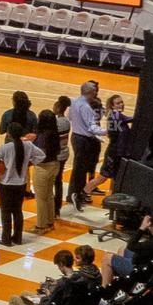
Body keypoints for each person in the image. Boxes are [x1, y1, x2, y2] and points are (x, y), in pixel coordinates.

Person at [0, 127, 42, 245]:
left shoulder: (5, 148)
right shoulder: (28, 145)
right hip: (21, 184)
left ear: (9, 134)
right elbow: (41, 156)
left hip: (5, 185)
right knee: (17, 211)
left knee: (6, 212)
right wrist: (30, 163)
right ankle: (18, 238)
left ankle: (6, 239)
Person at [66, 81, 104, 210]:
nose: (96, 93)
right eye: (95, 91)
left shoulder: (75, 102)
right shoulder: (86, 106)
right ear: (90, 92)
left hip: (77, 137)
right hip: (84, 139)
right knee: (80, 170)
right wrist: (106, 132)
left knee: (80, 169)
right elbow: (93, 127)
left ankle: (75, 194)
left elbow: (70, 117)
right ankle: (76, 195)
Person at [31, 106, 65, 234]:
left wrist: (32, 158)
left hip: (43, 167)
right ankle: (50, 222)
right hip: (54, 164)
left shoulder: (43, 135)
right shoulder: (54, 133)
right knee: (49, 194)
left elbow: (41, 153)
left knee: (40, 197)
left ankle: (41, 225)